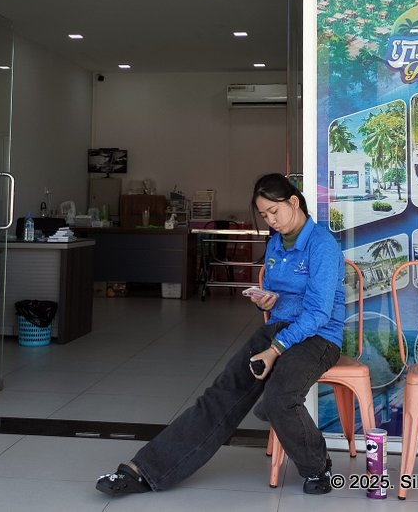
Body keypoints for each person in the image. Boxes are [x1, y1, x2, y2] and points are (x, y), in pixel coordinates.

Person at [96, 173, 345, 497]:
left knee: (280, 398)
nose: (270, 220)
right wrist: (267, 300)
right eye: (264, 215)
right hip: (278, 329)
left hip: (319, 338)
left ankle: (317, 466)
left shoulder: (322, 244)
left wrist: (275, 350)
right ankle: (146, 470)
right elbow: (278, 294)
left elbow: (318, 313)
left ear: (294, 202)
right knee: (221, 394)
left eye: (274, 211)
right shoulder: (275, 243)